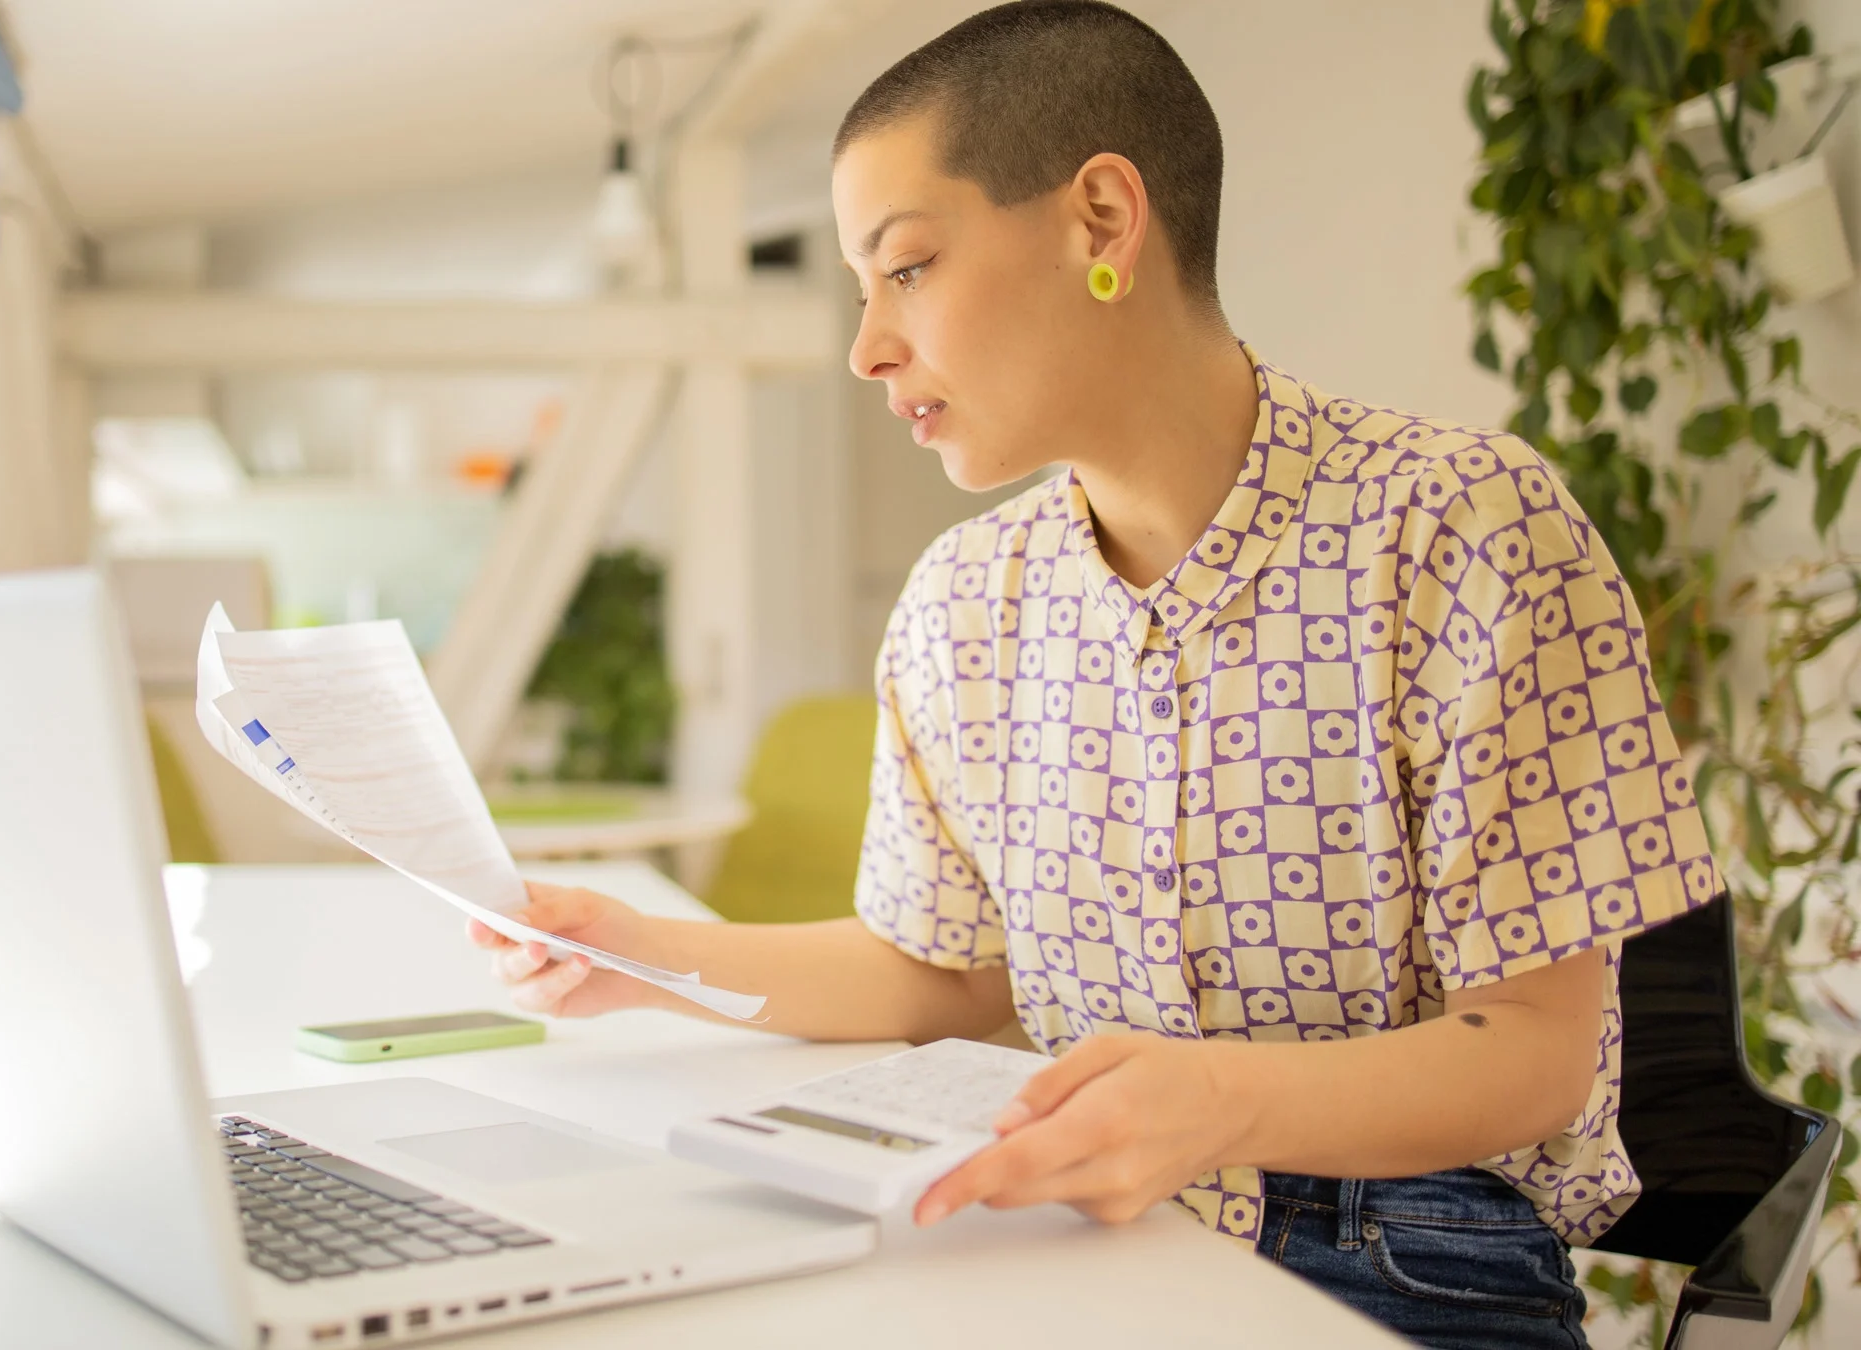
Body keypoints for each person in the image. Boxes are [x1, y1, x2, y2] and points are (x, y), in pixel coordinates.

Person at [468, 5, 1716, 1346]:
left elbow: (1535, 1050)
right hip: (1072, 1241)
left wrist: (1217, 1104)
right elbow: (940, 973)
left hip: (1407, 1264)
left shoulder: (1464, 532)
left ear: (1103, 221)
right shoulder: (961, 606)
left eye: (907, 268)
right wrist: (642, 955)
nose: (867, 347)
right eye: (861, 286)